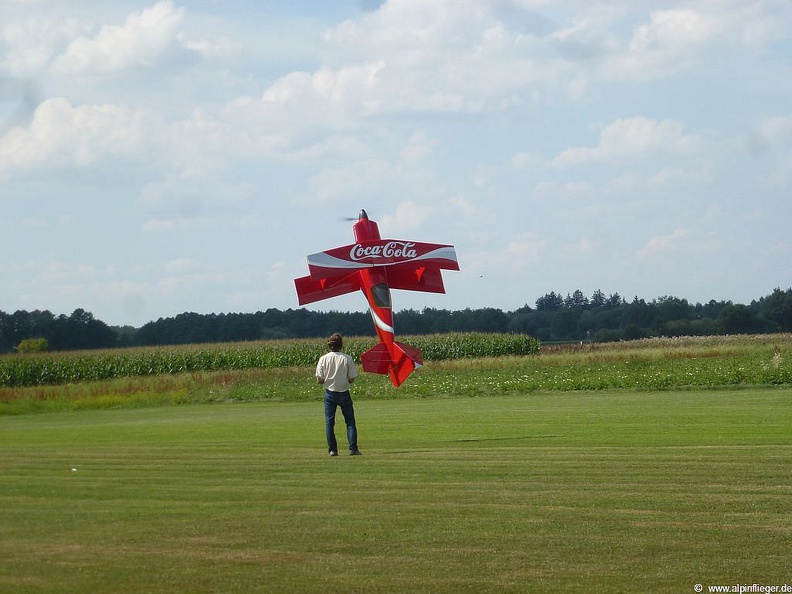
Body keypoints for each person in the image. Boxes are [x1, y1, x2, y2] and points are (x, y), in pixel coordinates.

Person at [316, 333, 361, 456]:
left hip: (329, 393)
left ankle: (333, 450)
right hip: (344, 393)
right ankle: (353, 448)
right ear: (341, 345)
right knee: (350, 422)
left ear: (330, 345)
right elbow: (352, 379)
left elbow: (320, 379)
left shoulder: (323, 359)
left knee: (330, 423)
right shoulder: (347, 358)